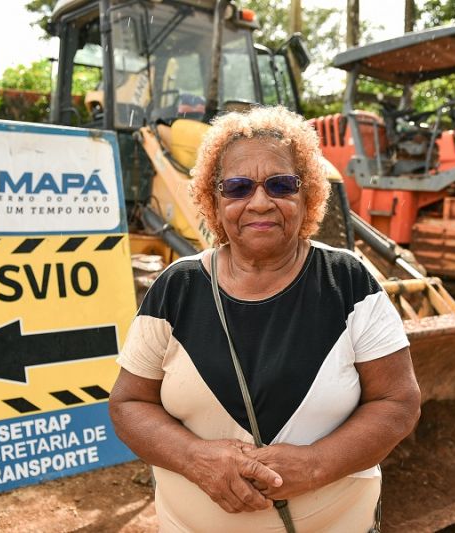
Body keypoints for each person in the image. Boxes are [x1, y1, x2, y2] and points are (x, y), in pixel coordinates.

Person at [109, 106, 421, 532]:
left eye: (280, 184)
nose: (259, 201)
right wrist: (193, 458)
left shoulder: (348, 282)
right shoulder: (176, 288)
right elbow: (129, 402)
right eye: (237, 187)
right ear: (213, 203)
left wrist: (315, 466)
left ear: (307, 195)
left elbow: (397, 402)